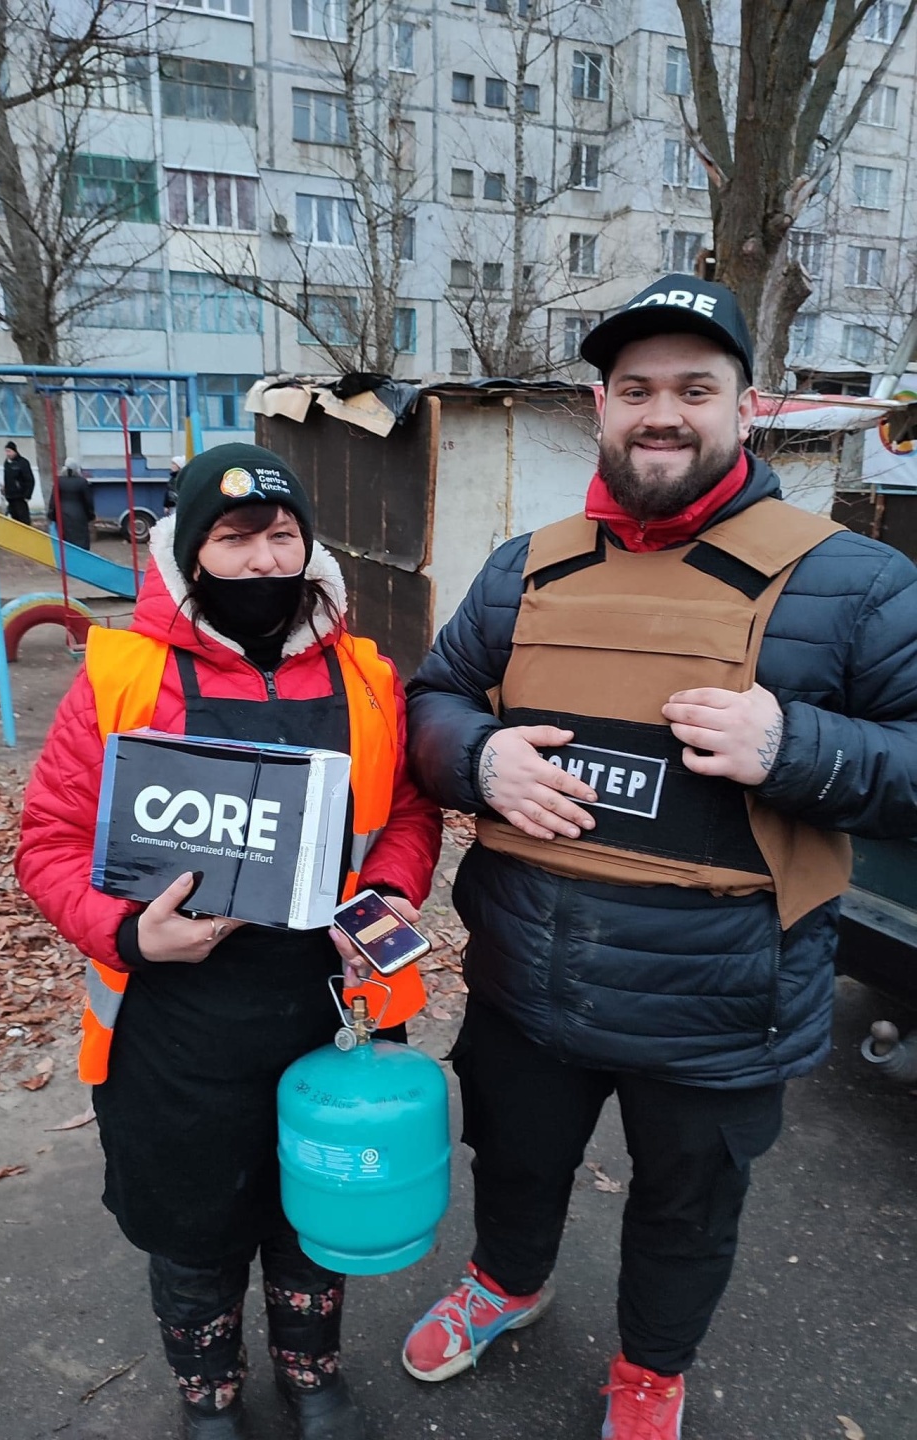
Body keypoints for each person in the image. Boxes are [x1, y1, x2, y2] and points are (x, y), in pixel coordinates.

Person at [401, 275, 917, 1438]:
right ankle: (507, 1282)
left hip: (720, 1002)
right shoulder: (524, 568)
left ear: (749, 405)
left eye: (695, 387)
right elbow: (432, 699)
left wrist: (802, 748)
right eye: (636, 390)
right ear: (602, 408)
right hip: (527, 979)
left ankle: (651, 1369)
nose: (663, 413)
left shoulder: (860, 583)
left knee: (687, 1206)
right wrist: (477, 757)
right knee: (513, 1157)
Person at [16, 442, 442, 1439]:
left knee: (315, 1214)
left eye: (281, 535)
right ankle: (208, 1395)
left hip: (332, 1011)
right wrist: (129, 932)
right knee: (193, 1229)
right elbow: (48, 843)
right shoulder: (122, 677)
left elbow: (410, 811)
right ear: (189, 552)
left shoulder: (368, 677)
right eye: (234, 537)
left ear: (308, 545)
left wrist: (385, 896)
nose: (262, 559)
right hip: (174, 1026)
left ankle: (311, 1375)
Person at [47, 456, 96, 550]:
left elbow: (54, 500)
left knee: (65, 542)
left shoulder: (58, 481)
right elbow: (88, 501)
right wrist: (90, 515)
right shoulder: (82, 482)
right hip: (79, 515)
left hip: (62, 515)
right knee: (81, 541)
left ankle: (68, 557)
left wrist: (52, 515)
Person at [2, 441, 36, 526]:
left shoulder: (23, 462)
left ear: (15, 451)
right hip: (10, 496)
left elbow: (29, 479)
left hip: (20, 496)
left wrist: (27, 495)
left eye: (9, 451)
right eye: (6, 451)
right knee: (14, 521)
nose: (8, 454)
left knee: (23, 520)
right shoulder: (7, 463)